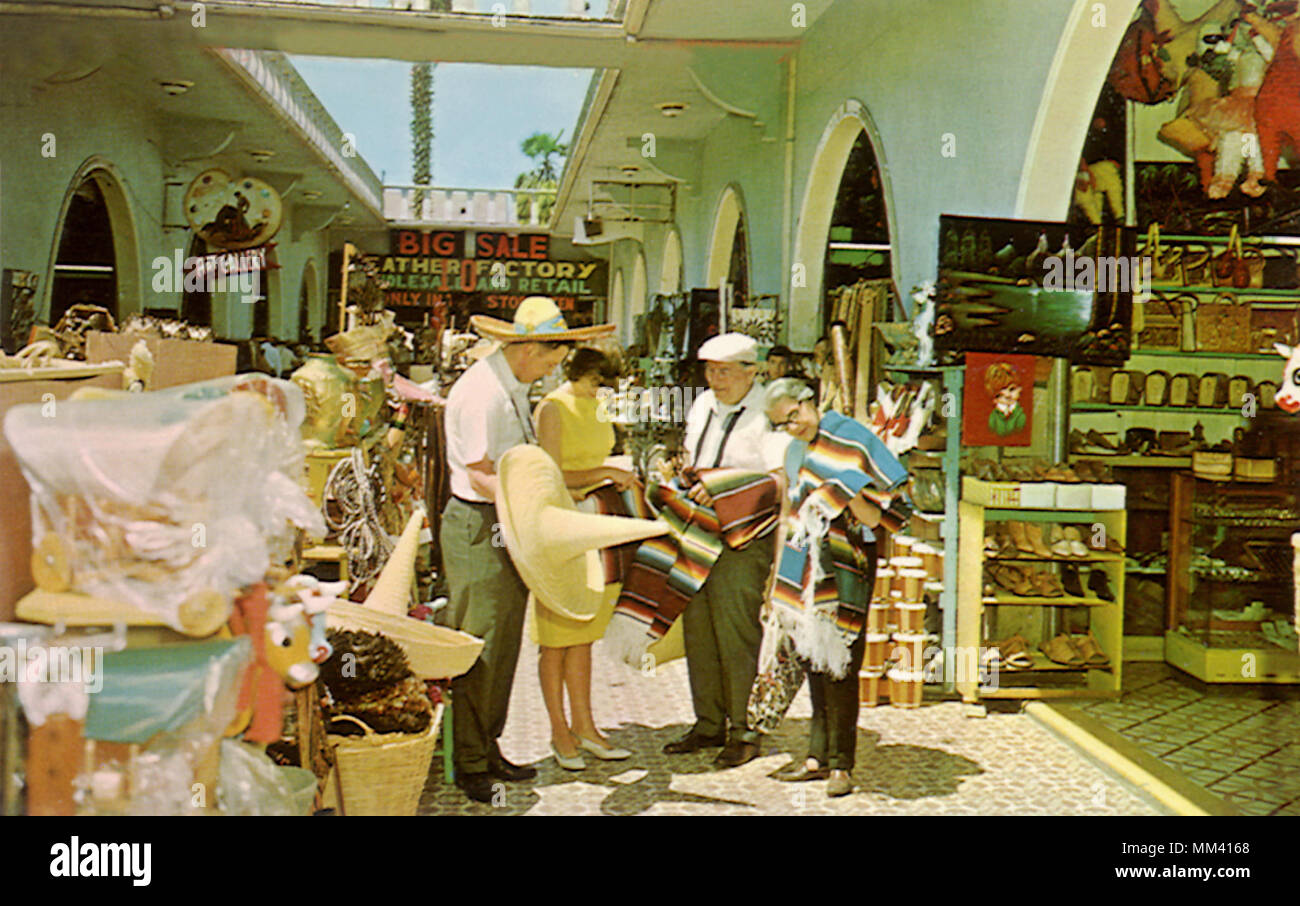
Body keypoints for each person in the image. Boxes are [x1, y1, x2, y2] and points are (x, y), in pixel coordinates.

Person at [439, 296, 614, 803]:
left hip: (503, 521)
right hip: (481, 523)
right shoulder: (483, 393)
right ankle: (470, 761)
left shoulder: (510, 387)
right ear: (529, 350)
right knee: (482, 641)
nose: (554, 369)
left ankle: (487, 745)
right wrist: (535, 506)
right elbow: (479, 472)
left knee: (504, 642)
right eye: (553, 358)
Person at [763, 377, 912, 797]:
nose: (793, 426)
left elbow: (881, 514)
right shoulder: (794, 451)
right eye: (782, 423)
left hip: (849, 559)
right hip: (805, 561)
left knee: (841, 660)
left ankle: (841, 764)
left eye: (795, 415)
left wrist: (844, 493)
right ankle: (817, 757)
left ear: (809, 400)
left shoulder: (853, 437)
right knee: (812, 655)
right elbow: (790, 514)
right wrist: (777, 575)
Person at [660, 333, 786, 768]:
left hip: (744, 536)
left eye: (726, 371)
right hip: (699, 529)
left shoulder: (770, 410)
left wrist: (723, 486)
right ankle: (708, 721)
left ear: (752, 372)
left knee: (736, 631)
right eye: (711, 371)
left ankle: (745, 729)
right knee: (699, 627)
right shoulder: (702, 406)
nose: (716, 379)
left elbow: (779, 480)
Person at [532, 347, 636, 770]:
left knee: (584, 632)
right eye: (596, 382)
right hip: (561, 522)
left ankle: (585, 725)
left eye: (607, 384)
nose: (601, 390)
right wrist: (604, 473)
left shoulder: (599, 406)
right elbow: (549, 473)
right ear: (576, 373)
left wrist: (611, 474)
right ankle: (559, 731)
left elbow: (599, 457)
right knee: (556, 634)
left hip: (595, 518)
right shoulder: (553, 408)